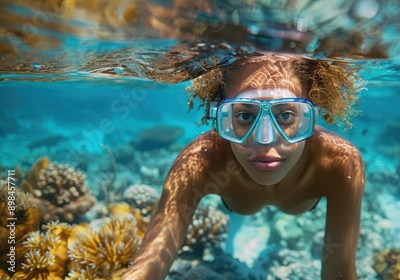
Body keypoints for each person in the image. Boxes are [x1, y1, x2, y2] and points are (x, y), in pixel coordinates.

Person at [122, 53, 365, 279]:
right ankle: (235, 229)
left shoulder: (340, 162)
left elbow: (340, 273)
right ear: (222, 118)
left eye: (286, 115)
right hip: (240, 203)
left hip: (244, 196)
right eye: (245, 116)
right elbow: (148, 265)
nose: (264, 139)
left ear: (311, 115)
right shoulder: (200, 160)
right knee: (240, 213)